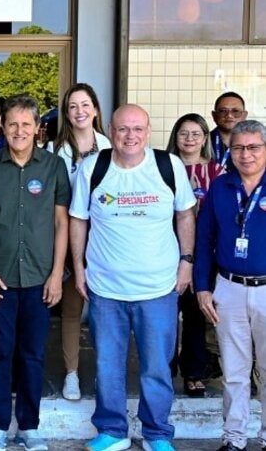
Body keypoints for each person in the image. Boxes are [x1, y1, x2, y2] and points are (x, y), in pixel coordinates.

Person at [69, 104, 196, 451]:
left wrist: (186, 262)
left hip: (158, 288)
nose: (130, 136)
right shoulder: (93, 167)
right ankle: (112, 430)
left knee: (156, 367)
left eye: (138, 129)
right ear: (110, 131)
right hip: (106, 289)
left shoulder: (168, 166)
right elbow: (78, 219)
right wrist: (78, 268)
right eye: (123, 129)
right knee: (107, 365)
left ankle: (157, 433)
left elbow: (185, 215)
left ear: (148, 131)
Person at [0, 95, 70, 451]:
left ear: (38, 128)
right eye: (12, 123)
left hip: (40, 279)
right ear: (3, 125)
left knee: (32, 354)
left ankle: (29, 426)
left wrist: (57, 274)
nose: (19, 131)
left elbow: (61, 223)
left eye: (26, 124)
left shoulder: (53, 167)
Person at [194, 120, 266, 451]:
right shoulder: (221, 187)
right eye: (238, 148)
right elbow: (204, 238)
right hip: (229, 287)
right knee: (234, 371)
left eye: (253, 147)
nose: (245, 155)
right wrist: (202, 287)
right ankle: (234, 439)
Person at [47, 83, 111, 401]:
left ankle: (105, 373)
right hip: (70, 237)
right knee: (72, 311)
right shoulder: (54, 150)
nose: (79, 111)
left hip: (104, 240)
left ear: (95, 109)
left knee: (105, 311)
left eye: (85, 104)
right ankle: (71, 373)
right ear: (66, 113)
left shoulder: (110, 147)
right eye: (72, 106)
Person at [166, 113, 225, 398]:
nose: (189, 139)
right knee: (165, 316)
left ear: (205, 139)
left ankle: (194, 373)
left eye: (196, 134)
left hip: (203, 253)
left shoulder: (217, 171)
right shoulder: (162, 167)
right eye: (183, 133)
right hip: (165, 252)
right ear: (175, 137)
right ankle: (164, 370)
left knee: (195, 315)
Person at [209, 91, 248, 170]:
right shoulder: (201, 142)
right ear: (214, 115)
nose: (229, 115)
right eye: (223, 111)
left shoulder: (256, 144)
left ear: (244, 115)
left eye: (235, 111)